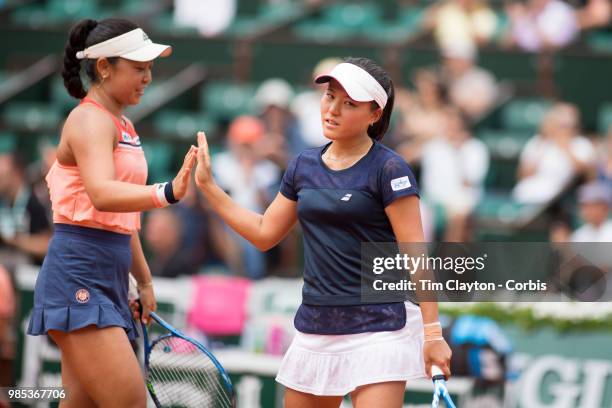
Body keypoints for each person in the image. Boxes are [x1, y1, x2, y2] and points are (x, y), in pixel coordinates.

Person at [194, 57, 452, 407]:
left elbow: (416, 256)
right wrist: (210, 189)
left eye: (349, 104)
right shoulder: (303, 166)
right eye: (330, 96)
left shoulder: (389, 169)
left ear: (375, 114)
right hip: (316, 327)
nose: (333, 109)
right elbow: (264, 232)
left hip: (380, 330)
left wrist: (432, 332)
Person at [26, 18, 196, 407]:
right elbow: (103, 194)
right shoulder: (87, 119)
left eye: (150, 69)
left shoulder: (125, 125)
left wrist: (144, 281)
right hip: (78, 276)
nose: (148, 78)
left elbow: (122, 218)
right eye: (139, 68)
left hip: (110, 278)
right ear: (104, 67)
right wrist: (167, 192)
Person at [0, 150, 52, 265]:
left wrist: (13, 240)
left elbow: (47, 245)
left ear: (16, 173)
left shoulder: (35, 202)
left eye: (2, 176)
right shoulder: (4, 201)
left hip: (31, 271)